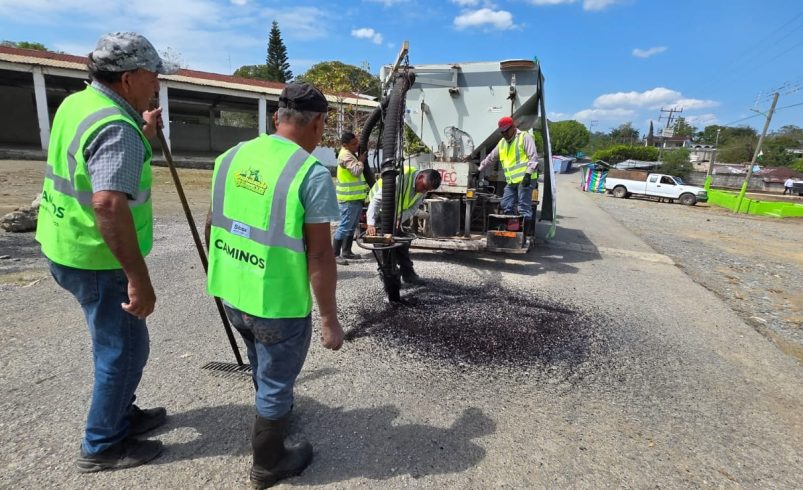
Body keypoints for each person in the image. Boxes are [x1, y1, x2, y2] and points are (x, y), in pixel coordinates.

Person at [34, 32, 176, 472]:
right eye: (153, 77)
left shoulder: (81, 104)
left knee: (117, 343)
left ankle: (120, 414)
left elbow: (98, 165)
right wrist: (138, 277)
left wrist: (142, 133)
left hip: (63, 243)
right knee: (124, 350)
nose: (156, 86)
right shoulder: (116, 127)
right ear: (129, 77)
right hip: (97, 257)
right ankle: (102, 444)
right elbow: (108, 204)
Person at [205, 82, 344, 489]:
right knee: (277, 378)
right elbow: (320, 255)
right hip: (277, 303)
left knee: (260, 361)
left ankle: (274, 406)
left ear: (276, 118)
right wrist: (330, 319)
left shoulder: (231, 157)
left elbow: (214, 222)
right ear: (317, 123)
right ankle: (269, 463)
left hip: (232, 291)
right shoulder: (310, 173)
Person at [365, 167, 441, 284]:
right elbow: (376, 201)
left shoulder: (423, 189)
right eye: (424, 187)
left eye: (427, 190)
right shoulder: (400, 178)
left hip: (397, 213)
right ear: (420, 177)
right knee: (382, 242)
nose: (423, 192)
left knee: (402, 242)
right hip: (380, 209)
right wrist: (371, 223)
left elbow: (413, 208)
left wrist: (400, 218)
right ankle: (387, 273)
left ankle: (408, 274)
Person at [477, 116, 540, 236]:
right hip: (512, 181)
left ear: (513, 127)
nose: (504, 133)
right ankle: (513, 230)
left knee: (524, 207)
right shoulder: (502, 143)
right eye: (502, 131)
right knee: (506, 204)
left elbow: (534, 157)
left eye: (506, 130)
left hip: (526, 179)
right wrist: (479, 169)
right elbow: (491, 158)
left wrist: (528, 174)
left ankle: (525, 236)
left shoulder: (524, 137)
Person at [332, 131, 369, 265]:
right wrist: (361, 161)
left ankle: (346, 251)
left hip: (355, 198)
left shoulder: (349, 153)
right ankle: (335, 254)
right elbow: (356, 171)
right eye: (353, 144)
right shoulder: (345, 155)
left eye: (357, 142)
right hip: (348, 198)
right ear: (345, 145)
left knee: (351, 226)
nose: (356, 145)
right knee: (344, 226)